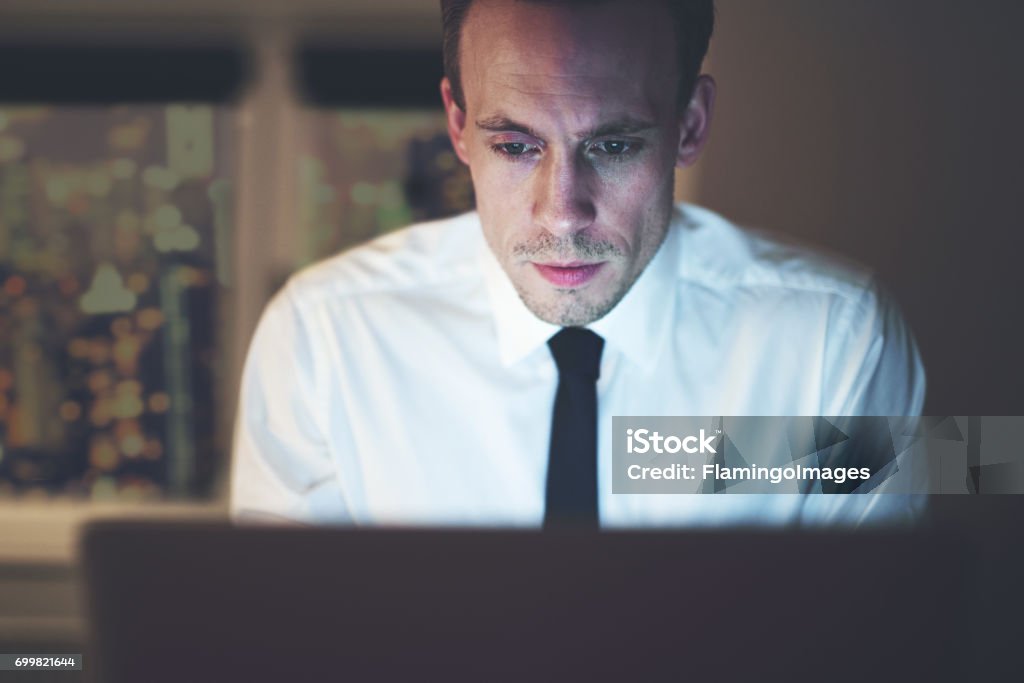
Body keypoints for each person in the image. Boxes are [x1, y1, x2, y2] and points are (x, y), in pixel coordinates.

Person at [230, 0, 926, 527]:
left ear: (690, 126)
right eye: (515, 146)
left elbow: (880, 631)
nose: (562, 214)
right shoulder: (320, 339)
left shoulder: (838, 339)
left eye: (615, 146)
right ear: (457, 127)